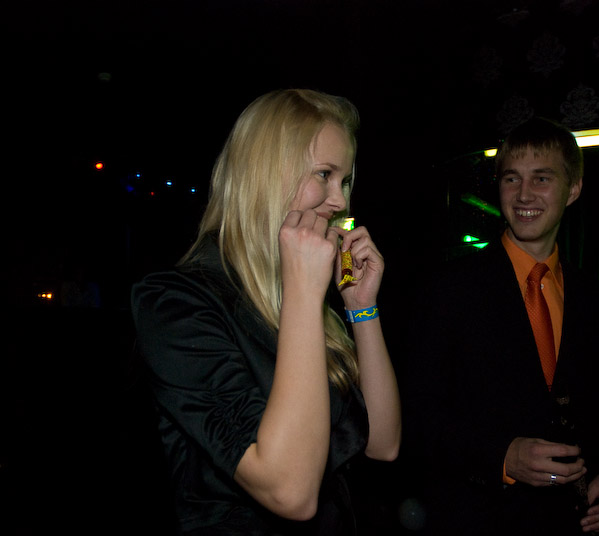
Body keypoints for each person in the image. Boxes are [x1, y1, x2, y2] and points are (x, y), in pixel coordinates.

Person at [130, 89, 401, 535]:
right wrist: (303, 293)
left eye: (345, 181)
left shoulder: (297, 297)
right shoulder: (176, 303)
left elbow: (382, 443)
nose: (339, 201)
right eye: (324, 174)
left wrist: (361, 307)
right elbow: (290, 492)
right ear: (266, 174)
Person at [402, 117, 599, 535]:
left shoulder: (597, 298)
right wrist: (502, 456)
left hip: (573, 522)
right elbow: (415, 414)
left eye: (541, 178)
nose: (524, 194)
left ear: (573, 189)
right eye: (512, 179)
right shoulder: (448, 288)